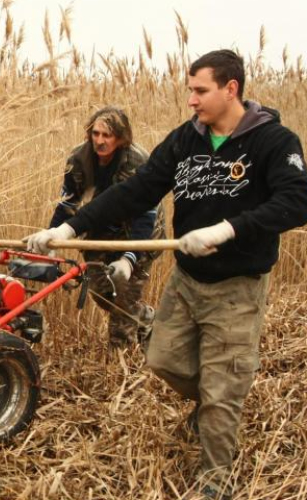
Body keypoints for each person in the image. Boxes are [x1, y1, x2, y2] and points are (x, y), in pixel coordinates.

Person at [26, 49, 307, 499]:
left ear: (230, 88)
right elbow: (137, 190)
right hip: (187, 279)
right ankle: (218, 401)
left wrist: (228, 228)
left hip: (238, 285)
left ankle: (215, 478)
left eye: (200, 90)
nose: (191, 100)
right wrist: (69, 226)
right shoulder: (185, 140)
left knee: (220, 392)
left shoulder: (273, 141)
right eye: (190, 90)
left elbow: (296, 202)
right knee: (162, 359)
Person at [48, 106, 164, 349]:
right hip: (100, 223)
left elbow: (145, 216)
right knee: (102, 293)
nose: (99, 141)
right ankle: (146, 318)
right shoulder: (78, 160)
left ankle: (121, 358)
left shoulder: (137, 161)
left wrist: (129, 259)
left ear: (121, 139)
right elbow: (68, 204)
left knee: (123, 296)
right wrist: (52, 239)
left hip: (140, 228)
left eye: (107, 136)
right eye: (96, 134)